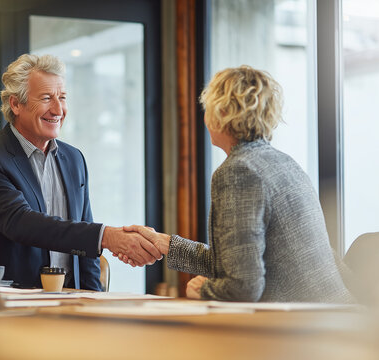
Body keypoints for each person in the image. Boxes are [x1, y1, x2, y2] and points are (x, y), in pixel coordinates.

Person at [121, 65, 354, 303]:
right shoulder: (285, 163)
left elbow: (243, 287)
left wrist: (202, 290)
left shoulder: (239, 171)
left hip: (303, 330)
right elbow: (239, 261)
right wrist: (167, 244)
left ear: (220, 113)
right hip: (336, 319)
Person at [0, 54, 160, 291]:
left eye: (62, 98)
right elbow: (20, 222)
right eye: (46, 98)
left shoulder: (74, 158)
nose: (58, 109)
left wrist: (92, 300)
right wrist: (105, 236)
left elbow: (86, 244)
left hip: (72, 303)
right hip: (14, 304)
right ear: (16, 104)